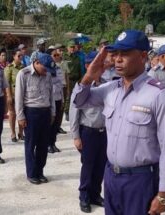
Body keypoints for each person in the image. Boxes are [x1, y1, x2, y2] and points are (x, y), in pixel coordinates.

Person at [72, 30, 165, 215]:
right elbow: (79, 101)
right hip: (111, 176)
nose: (118, 59)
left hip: (140, 180)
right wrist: (89, 76)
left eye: (125, 53)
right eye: (116, 54)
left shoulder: (158, 95)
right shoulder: (111, 89)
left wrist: (163, 194)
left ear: (143, 56)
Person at [69, 51, 107, 213]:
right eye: (95, 64)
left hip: (104, 132)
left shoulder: (107, 85)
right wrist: (76, 136)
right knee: (88, 166)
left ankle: (95, 194)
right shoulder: (81, 88)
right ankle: (84, 196)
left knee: (100, 166)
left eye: (101, 64)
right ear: (87, 66)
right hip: (88, 133)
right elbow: (74, 113)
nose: (100, 67)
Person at [15, 51, 56, 184]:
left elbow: (51, 95)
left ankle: (40, 171)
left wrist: (52, 112)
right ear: (36, 63)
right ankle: (32, 173)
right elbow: (19, 98)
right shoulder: (23, 74)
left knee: (43, 145)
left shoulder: (48, 74)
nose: (46, 72)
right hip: (31, 113)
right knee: (31, 144)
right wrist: (20, 116)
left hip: (45, 113)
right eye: (44, 68)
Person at [5, 48, 24, 142]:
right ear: (14, 56)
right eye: (18, 56)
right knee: (12, 114)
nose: (20, 57)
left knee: (21, 113)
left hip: (22, 95)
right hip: (13, 94)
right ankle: (13, 133)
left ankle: (21, 132)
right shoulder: (9, 68)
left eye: (21, 55)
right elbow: (6, 82)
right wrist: (9, 95)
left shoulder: (24, 67)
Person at [48, 47, 64, 153]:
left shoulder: (58, 69)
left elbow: (61, 85)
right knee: (49, 123)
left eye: (58, 55)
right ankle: (47, 144)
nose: (57, 57)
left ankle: (53, 143)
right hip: (49, 101)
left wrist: (62, 99)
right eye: (55, 55)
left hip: (58, 99)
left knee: (56, 124)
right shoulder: (45, 70)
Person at [63, 40, 82, 121]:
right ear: (68, 48)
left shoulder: (77, 57)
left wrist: (81, 79)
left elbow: (79, 69)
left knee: (76, 96)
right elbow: (64, 69)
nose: (72, 49)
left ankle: (74, 112)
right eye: (71, 47)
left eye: (74, 47)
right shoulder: (65, 57)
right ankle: (67, 112)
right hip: (68, 80)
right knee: (68, 96)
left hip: (76, 80)